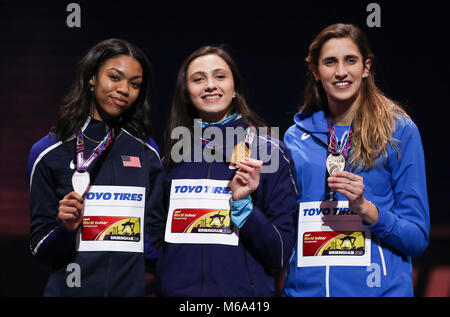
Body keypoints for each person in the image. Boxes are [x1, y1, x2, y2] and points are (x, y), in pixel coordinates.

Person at [282, 23, 430, 297]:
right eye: (330, 62)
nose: (340, 71)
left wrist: (367, 210)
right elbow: (284, 227)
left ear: (366, 68)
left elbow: (417, 238)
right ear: (315, 71)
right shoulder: (294, 137)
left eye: (350, 60)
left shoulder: (399, 131)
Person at [148, 46, 298, 296]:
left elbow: (280, 253)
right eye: (198, 79)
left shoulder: (268, 151)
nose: (210, 85)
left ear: (234, 87)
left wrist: (244, 208)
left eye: (219, 76)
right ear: (186, 93)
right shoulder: (173, 156)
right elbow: (157, 241)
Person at [28, 39, 164, 296]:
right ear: (92, 77)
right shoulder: (48, 152)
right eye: (114, 77)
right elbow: (39, 248)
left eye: (134, 84)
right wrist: (65, 230)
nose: (124, 89)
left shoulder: (148, 152)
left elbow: (153, 240)